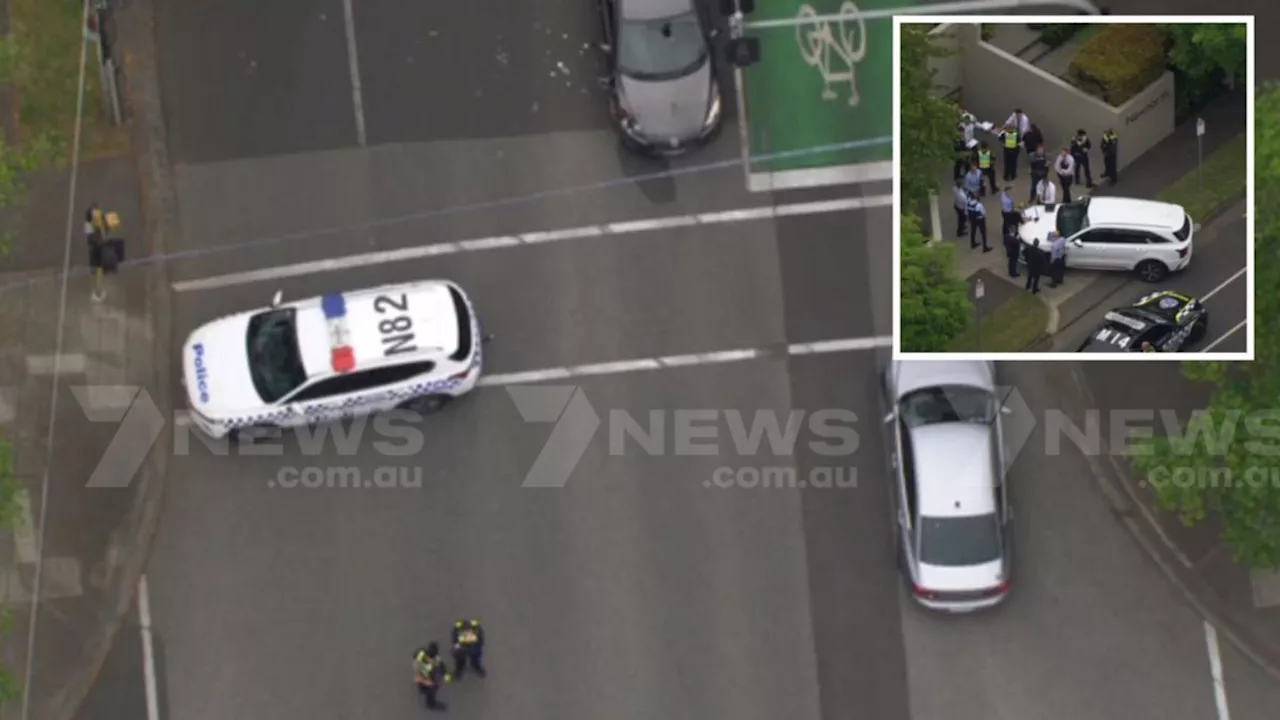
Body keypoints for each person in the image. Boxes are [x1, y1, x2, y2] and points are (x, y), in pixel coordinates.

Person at [414, 643, 451, 711]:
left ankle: (423, 689)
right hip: (425, 675)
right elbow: (416, 665)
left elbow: (441, 664)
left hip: (429, 673)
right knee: (431, 688)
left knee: (430, 684)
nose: (432, 660)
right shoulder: (422, 657)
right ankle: (430, 704)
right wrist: (424, 681)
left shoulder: (435, 656)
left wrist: (445, 674)